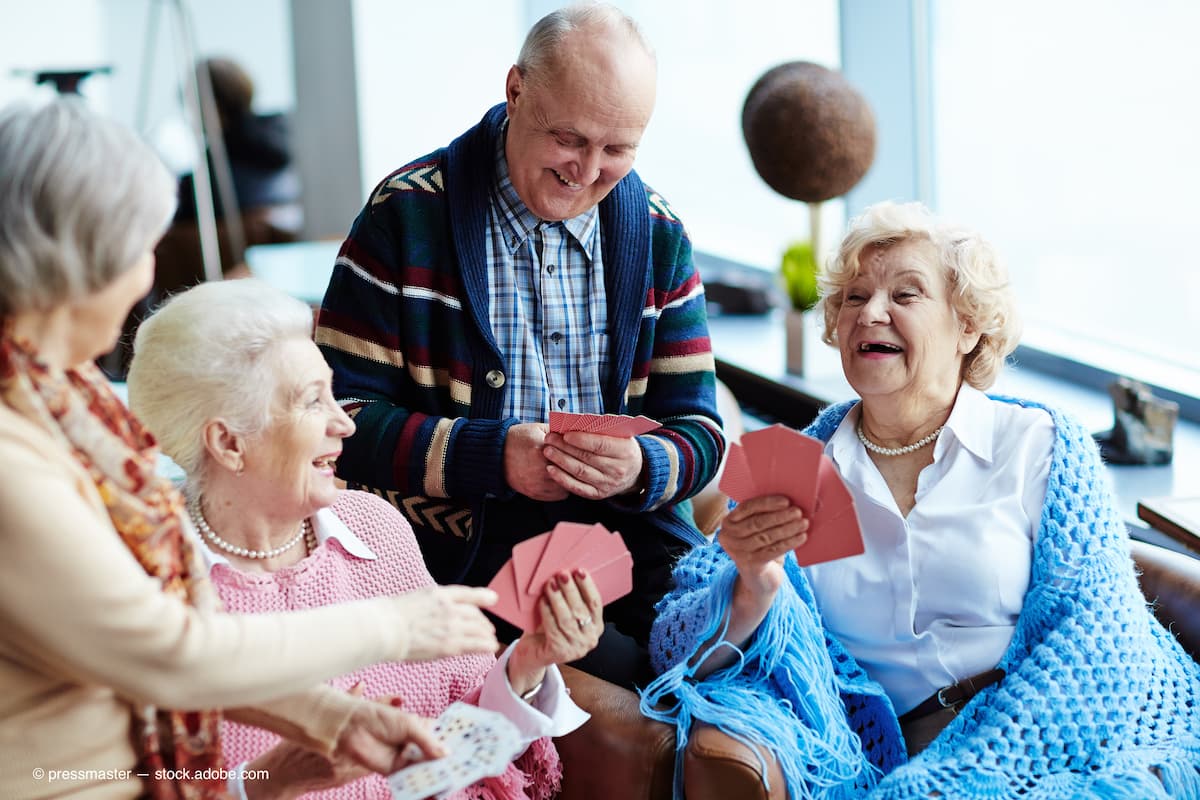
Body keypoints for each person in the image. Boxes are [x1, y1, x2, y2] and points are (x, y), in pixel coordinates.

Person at [0, 98, 501, 800]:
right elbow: (169, 654)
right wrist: (396, 623)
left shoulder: (57, 397)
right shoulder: (12, 452)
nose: (148, 274)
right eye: (142, 248)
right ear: (82, 261)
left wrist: (326, 717)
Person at [643, 201, 1200, 797]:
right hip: (864, 762)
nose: (871, 313)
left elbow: (1097, 647)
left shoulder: (1044, 450)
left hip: (1048, 749)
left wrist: (950, 784)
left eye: (905, 296)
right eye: (854, 298)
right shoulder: (795, 466)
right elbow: (674, 652)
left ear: (967, 326)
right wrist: (751, 587)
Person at [314, 2, 725, 686]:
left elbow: (702, 432)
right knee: (632, 684)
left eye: (617, 150)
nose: (588, 171)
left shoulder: (658, 233)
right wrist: (490, 457)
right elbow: (334, 423)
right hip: (458, 558)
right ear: (515, 91)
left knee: (737, 664)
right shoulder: (405, 216)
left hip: (638, 547)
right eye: (569, 138)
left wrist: (641, 466)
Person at [128, 278, 604, 800]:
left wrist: (528, 662)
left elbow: (454, 747)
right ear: (228, 442)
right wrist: (269, 783)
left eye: (334, 393)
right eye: (313, 402)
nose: (346, 425)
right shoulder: (151, 594)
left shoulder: (375, 527)